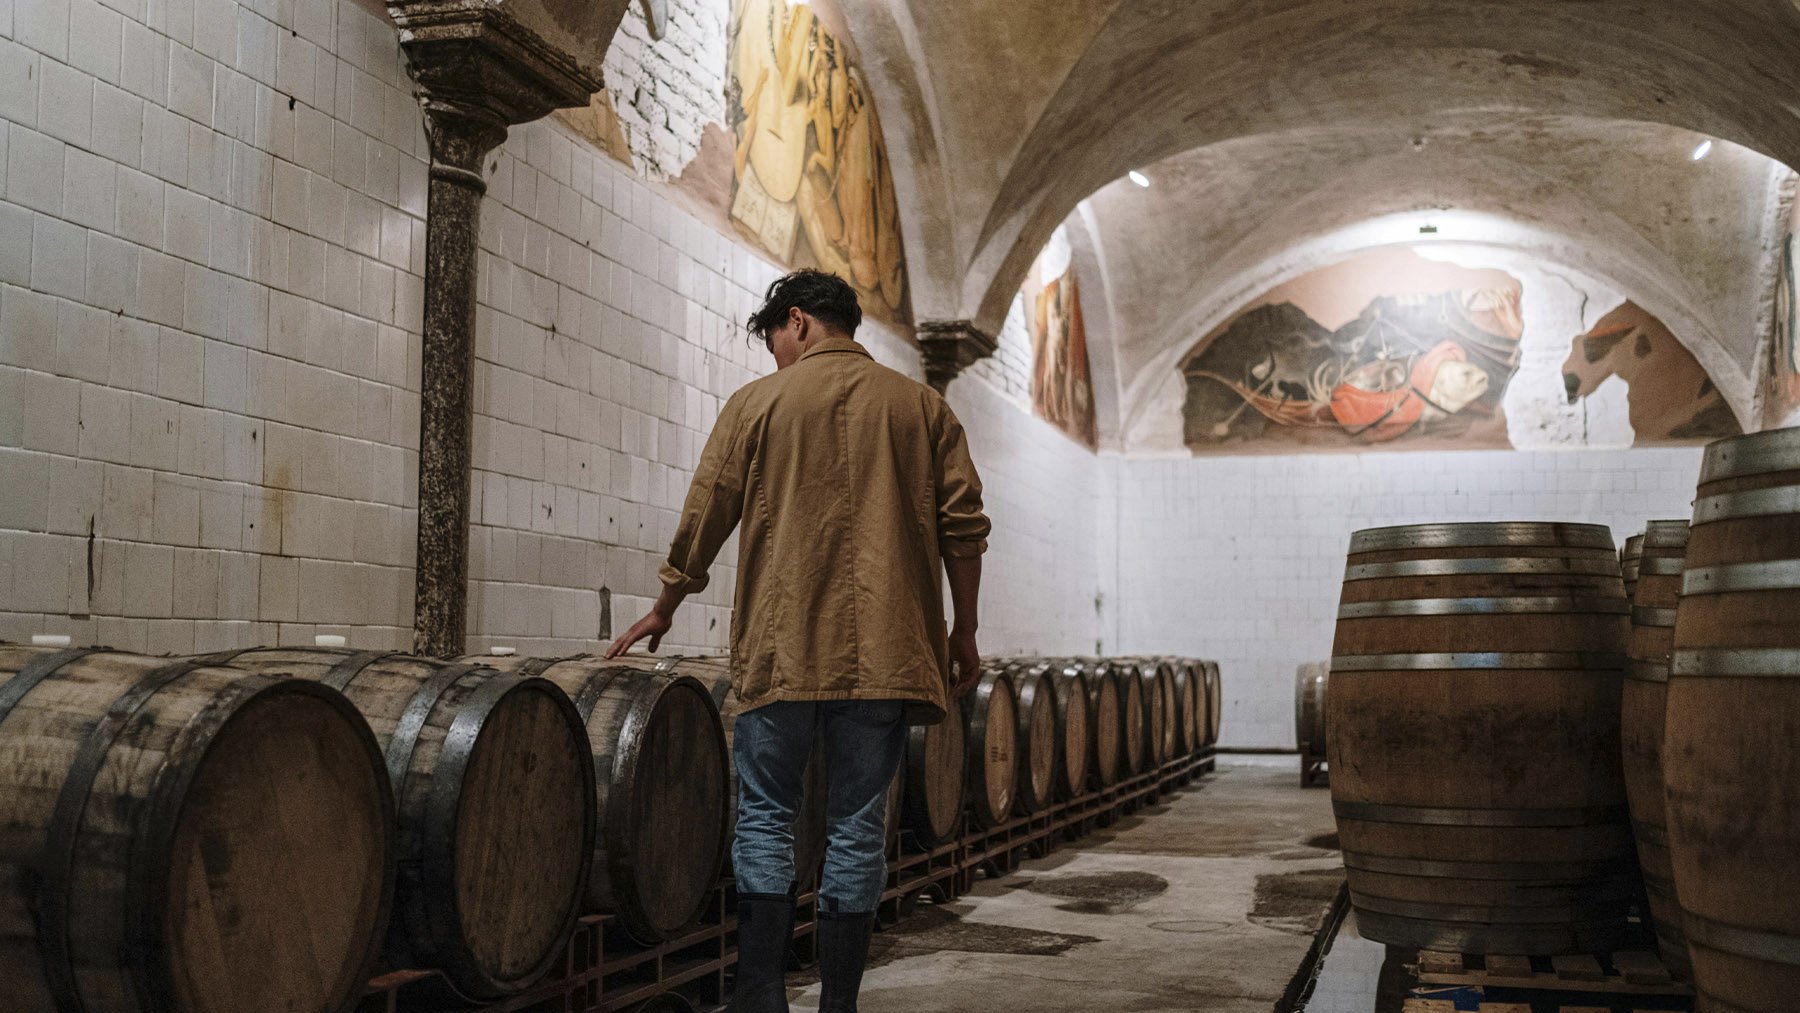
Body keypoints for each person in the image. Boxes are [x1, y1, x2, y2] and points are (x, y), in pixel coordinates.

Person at [606, 269, 990, 1012]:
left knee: (767, 813)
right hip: (886, 652)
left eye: (776, 340)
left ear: (798, 321)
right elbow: (964, 524)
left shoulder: (757, 404)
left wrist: (666, 603)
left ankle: (761, 994)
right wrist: (963, 628)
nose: (776, 354)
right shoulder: (923, 407)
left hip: (781, 648)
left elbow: (706, 510)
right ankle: (838, 1001)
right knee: (855, 823)